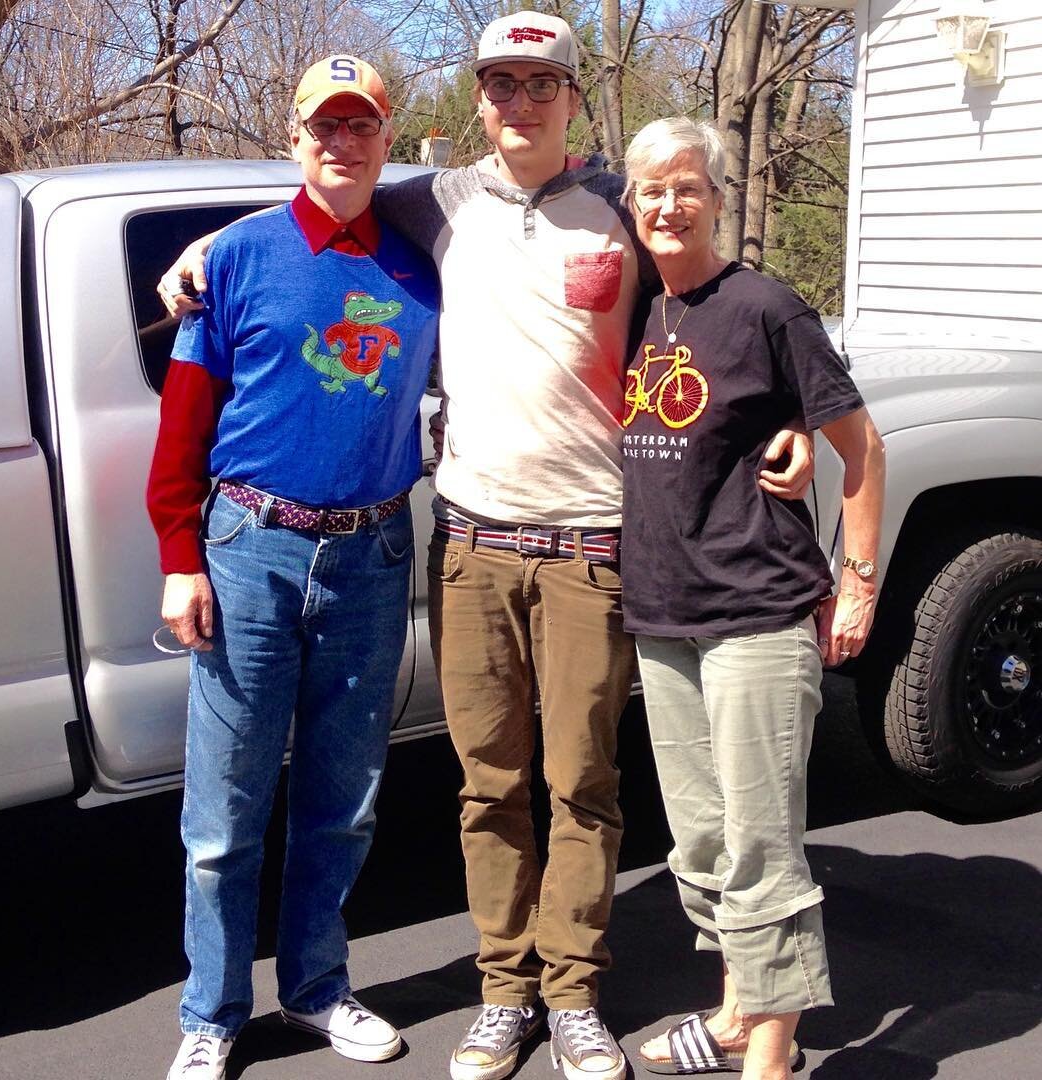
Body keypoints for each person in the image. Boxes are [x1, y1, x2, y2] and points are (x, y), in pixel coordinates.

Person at [157, 17, 813, 1080]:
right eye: (501, 82)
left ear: (572, 97)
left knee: (580, 785)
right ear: (478, 99)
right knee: (481, 789)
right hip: (461, 545)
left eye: (541, 83)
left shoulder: (621, 205)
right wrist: (207, 247)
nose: (520, 100)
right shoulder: (439, 202)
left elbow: (718, 299)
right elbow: (316, 207)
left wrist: (793, 412)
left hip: (586, 543)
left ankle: (571, 997)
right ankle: (497, 994)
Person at [146, 55, 438, 1080]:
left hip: (373, 553)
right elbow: (184, 427)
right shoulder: (235, 259)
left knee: (342, 800)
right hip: (249, 553)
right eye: (324, 125)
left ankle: (316, 987)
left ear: (385, 139)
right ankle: (212, 1013)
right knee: (223, 814)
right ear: (294, 135)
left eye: (361, 125)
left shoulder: (423, 263)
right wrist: (180, 556)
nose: (341, 142)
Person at [619, 117, 885, 1080]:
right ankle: (737, 1012)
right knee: (701, 841)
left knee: (763, 844)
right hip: (663, 615)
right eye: (652, 190)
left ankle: (770, 1055)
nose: (669, 205)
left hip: (757, 612)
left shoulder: (766, 307)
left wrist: (858, 584)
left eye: (687, 187)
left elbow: (863, 446)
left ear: (719, 199)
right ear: (630, 203)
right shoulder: (637, 310)